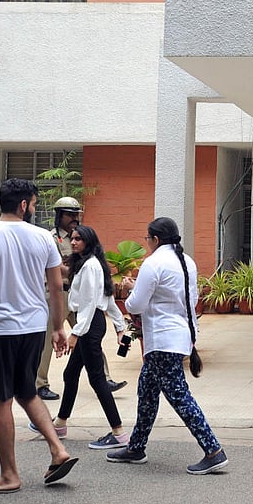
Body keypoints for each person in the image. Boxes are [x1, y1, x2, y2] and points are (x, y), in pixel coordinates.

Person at [0, 178, 78, 494]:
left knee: (0, 398)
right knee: (26, 391)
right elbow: (58, 287)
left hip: (0, 329)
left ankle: (9, 475)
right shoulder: (42, 238)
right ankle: (57, 450)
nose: (34, 208)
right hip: (34, 328)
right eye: (34, 203)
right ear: (24, 204)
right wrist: (58, 326)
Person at [106, 217, 228, 475]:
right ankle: (136, 446)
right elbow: (190, 301)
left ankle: (213, 450)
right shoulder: (187, 262)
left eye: (147, 239)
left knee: (179, 395)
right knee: (147, 390)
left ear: (156, 239)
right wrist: (193, 336)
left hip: (162, 339)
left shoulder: (154, 263)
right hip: (177, 336)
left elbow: (136, 305)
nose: (146, 243)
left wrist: (130, 289)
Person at [36, 196, 126, 400]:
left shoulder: (81, 236)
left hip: (80, 293)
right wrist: (76, 271)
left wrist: (75, 270)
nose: (74, 218)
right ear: (59, 216)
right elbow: (54, 267)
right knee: (48, 338)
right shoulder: (51, 238)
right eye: (69, 214)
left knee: (89, 335)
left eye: (76, 214)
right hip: (58, 293)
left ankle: (104, 378)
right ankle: (40, 384)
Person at [49, 225, 130, 450]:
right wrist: (120, 326)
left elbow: (90, 303)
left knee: (97, 379)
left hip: (89, 325)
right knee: (70, 373)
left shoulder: (91, 266)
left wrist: (75, 333)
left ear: (89, 241)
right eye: (72, 239)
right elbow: (108, 297)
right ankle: (60, 423)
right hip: (89, 323)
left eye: (78, 239)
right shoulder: (88, 264)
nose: (73, 242)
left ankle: (119, 433)